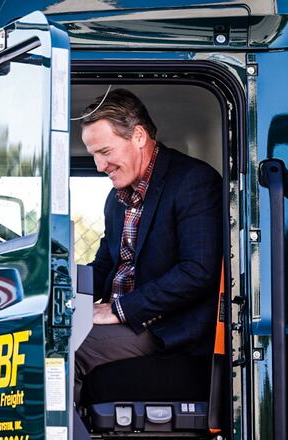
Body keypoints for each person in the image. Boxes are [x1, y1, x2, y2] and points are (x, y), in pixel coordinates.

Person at [74, 88, 223, 404]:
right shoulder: (117, 200)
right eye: (93, 156)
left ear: (138, 136)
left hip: (166, 330)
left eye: (105, 151)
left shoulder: (193, 182)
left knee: (62, 351)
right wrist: (60, 290)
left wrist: (119, 309)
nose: (100, 166)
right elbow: (105, 266)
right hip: (127, 321)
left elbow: (198, 271)